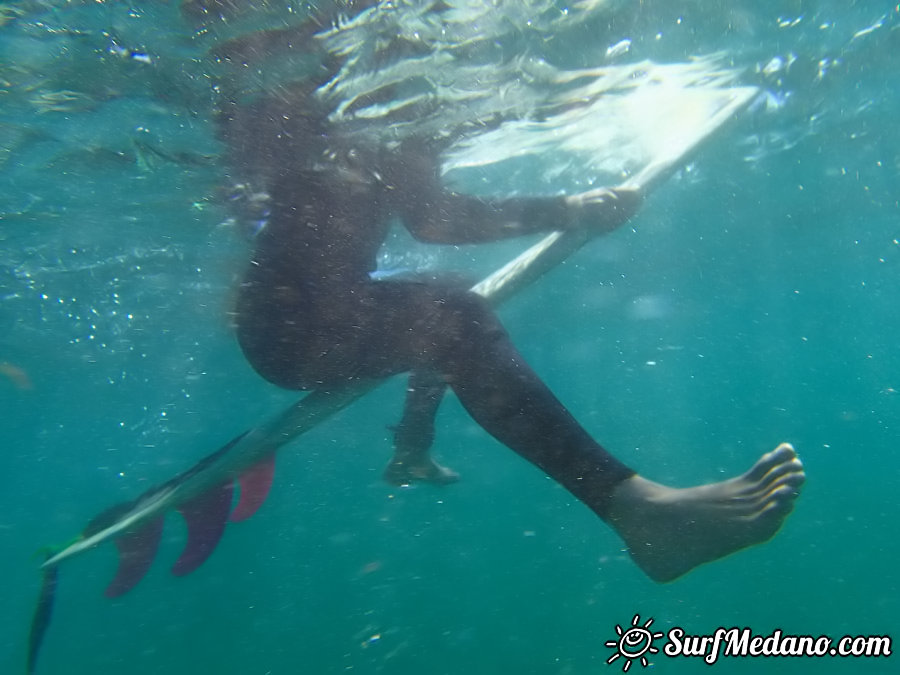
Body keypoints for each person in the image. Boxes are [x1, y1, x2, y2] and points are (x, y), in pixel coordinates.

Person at [215, 19, 805, 585]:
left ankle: (412, 448)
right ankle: (632, 507)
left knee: (445, 299)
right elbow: (436, 218)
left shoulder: (367, 120)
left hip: (291, 324)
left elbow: (409, 218)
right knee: (453, 318)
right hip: (296, 336)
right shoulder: (379, 112)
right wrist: (568, 209)